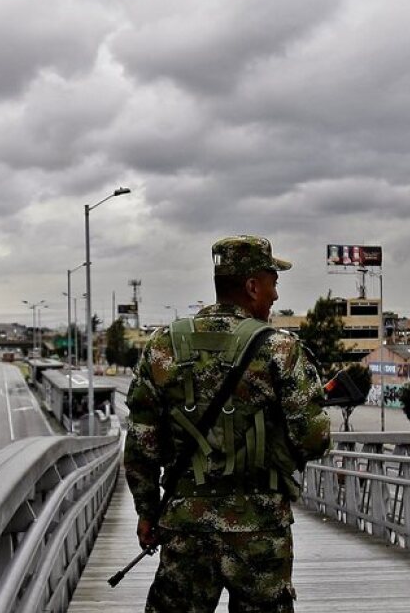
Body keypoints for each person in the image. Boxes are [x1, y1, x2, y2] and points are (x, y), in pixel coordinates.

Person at [124, 235, 332, 612]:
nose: (275, 295)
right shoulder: (280, 350)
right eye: (273, 283)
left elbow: (141, 444)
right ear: (252, 286)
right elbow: (314, 439)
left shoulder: (161, 347)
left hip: (185, 526)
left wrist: (146, 511)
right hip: (261, 530)